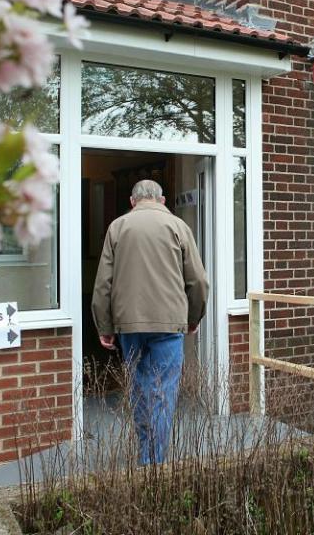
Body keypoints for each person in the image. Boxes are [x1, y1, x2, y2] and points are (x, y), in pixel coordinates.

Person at [91, 179, 209, 465]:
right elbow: (199, 281)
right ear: (163, 200)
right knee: (162, 392)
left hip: (129, 325)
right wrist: (193, 318)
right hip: (169, 326)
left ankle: (147, 453)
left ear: (133, 201)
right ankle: (153, 462)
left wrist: (104, 326)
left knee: (140, 389)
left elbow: (103, 284)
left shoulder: (117, 228)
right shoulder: (179, 227)